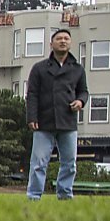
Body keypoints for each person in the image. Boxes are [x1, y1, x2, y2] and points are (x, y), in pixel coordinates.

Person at [24, 28, 86, 201]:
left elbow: (84, 92)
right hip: (44, 122)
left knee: (69, 163)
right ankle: (34, 196)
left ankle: (65, 195)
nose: (63, 41)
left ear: (70, 43)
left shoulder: (78, 69)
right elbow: (32, 95)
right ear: (51, 44)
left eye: (66, 38)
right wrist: (31, 117)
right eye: (59, 38)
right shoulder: (39, 68)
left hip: (68, 123)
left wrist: (80, 102)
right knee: (38, 163)